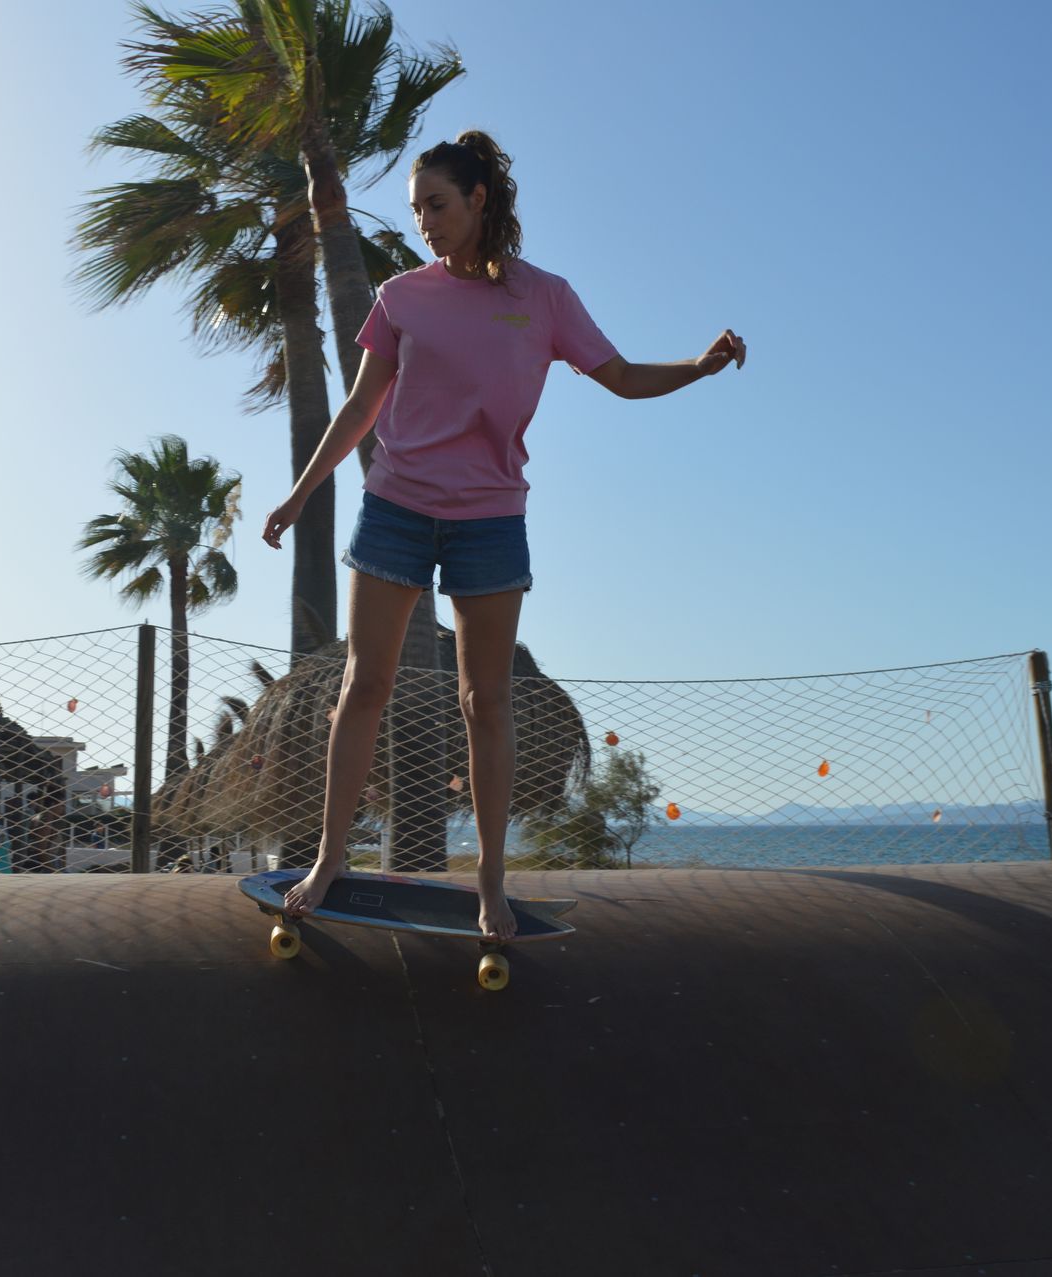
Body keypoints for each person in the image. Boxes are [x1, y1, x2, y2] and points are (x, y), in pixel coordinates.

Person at [261, 130, 746, 942]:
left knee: (485, 702)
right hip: (397, 509)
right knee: (363, 685)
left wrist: (696, 369)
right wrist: (300, 493)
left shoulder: (546, 297)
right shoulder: (401, 297)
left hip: (491, 518)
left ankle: (489, 881)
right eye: (417, 210)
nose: (427, 224)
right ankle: (330, 859)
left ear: (480, 199)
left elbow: (620, 377)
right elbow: (359, 409)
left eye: (439, 206)